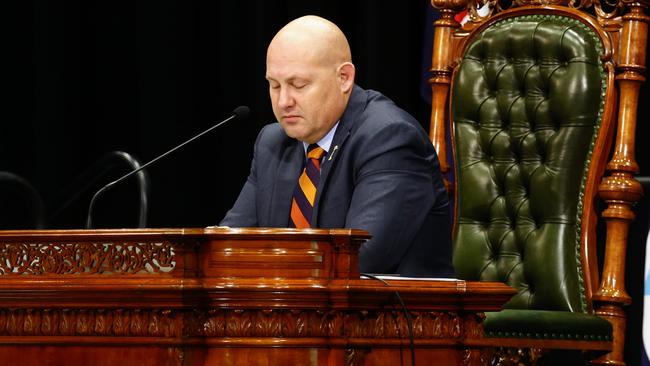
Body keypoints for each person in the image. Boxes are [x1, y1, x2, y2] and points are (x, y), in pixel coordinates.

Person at [220, 15, 453, 278]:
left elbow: (360, 258)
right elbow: (227, 248)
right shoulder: (273, 143)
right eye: (274, 85)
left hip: (398, 315)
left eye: (299, 85)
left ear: (344, 77)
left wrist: (263, 265)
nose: (283, 101)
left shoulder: (390, 138)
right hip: (293, 311)